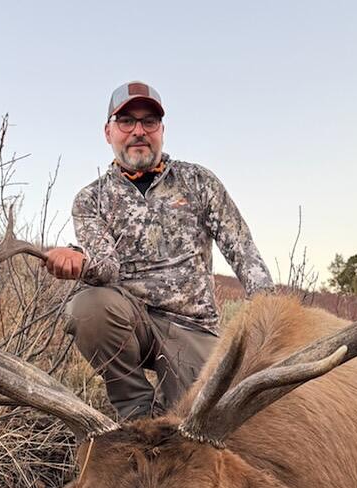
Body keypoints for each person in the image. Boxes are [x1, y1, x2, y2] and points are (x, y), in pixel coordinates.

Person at [43, 81, 273, 420]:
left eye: (149, 121)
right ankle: (134, 410)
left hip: (192, 328)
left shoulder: (198, 182)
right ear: (108, 132)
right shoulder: (90, 199)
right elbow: (107, 269)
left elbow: (242, 249)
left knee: (202, 423)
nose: (138, 131)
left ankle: (172, 408)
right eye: (126, 122)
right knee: (88, 306)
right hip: (131, 320)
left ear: (162, 130)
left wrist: (268, 315)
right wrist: (80, 263)